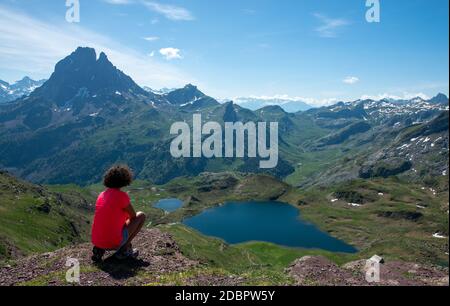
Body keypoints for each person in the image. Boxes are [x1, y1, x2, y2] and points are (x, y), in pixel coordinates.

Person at [91, 165, 146, 262]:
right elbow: (133, 216)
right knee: (141, 215)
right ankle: (123, 249)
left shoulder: (101, 195)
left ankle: (99, 249)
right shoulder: (122, 196)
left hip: (96, 240)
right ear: (124, 180)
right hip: (113, 243)